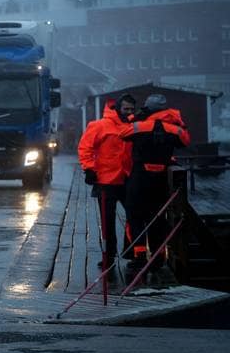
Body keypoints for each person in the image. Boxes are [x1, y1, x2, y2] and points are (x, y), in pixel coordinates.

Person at [119, 93, 191, 280]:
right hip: (161, 179)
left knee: (135, 216)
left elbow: (123, 134)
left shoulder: (139, 126)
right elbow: (186, 140)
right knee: (157, 217)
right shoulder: (174, 129)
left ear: (148, 108)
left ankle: (139, 256)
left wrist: (139, 118)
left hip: (140, 177)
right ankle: (158, 258)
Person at [77, 94, 135, 273]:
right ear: (118, 108)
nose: (129, 112)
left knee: (134, 216)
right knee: (107, 222)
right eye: (126, 109)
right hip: (106, 180)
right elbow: (85, 147)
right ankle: (108, 256)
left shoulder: (134, 126)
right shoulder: (99, 126)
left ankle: (131, 251)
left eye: (132, 109)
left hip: (127, 179)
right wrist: (89, 169)